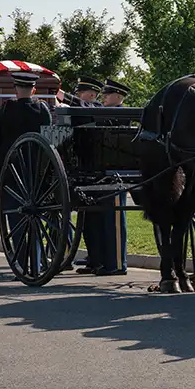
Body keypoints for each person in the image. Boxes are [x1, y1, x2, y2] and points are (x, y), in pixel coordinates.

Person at [0, 72, 54, 268]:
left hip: (12, 172)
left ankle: (22, 262)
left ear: (15, 90)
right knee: (35, 221)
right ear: (34, 90)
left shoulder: (7, 109)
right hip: (36, 172)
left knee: (16, 219)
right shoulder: (42, 109)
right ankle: (36, 263)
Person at [80, 78, 130, 276]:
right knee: (93, 220)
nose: (104, 97)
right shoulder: (103, 111)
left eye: (107, 95)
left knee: (113, 220)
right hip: (95, 172)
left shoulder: (121, 114)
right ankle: (97, 261)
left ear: (118, 97)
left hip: (114, 174)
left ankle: (117, 264)